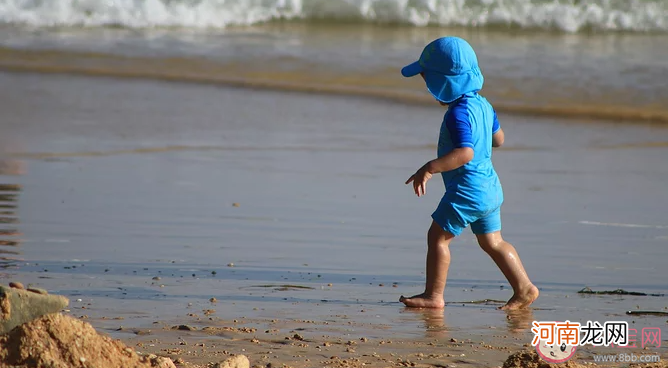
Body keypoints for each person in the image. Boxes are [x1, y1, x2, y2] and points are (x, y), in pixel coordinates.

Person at [399, 36, 539, 310]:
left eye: (428, 79)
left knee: (437, 237)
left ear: (442, 82)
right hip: (490, 188)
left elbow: (465, 153)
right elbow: (498, 139)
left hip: (467, 190)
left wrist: (430, 167)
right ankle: (524, 288)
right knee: (494, 242)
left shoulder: (457, 114)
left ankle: (434, 296)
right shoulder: (484, 106)